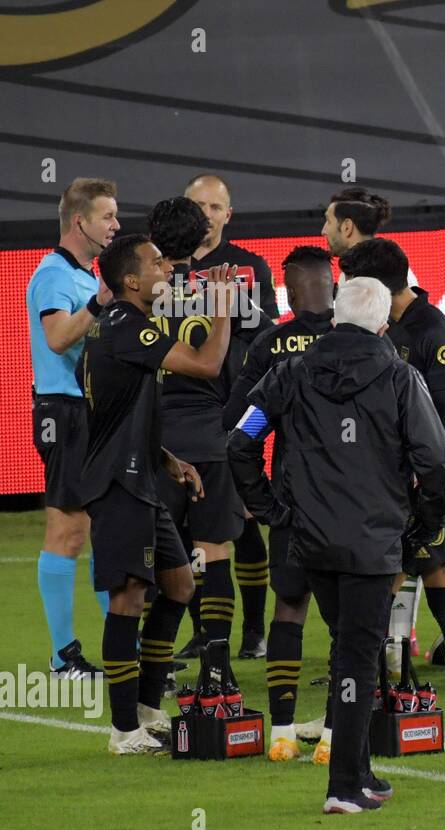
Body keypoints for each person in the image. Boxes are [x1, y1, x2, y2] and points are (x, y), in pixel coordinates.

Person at [227, 277, 445, 812]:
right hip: (374, 542)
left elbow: (241, 440)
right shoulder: (401, 378)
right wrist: (423, 527)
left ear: (334, 318)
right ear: (383, 326)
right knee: (357, 654)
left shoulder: (288, 373)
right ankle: (342, 789)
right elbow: (435, 461)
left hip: (310, 541)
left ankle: (361, 771)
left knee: (349, 647)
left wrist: (271, 510)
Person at [79, 234, 235, 754]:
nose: (167, 267)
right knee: (127, 600)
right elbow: (208, 365)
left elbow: (119, 410)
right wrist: (221, 311)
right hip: (118, 484)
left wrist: (166, 458)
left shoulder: (123, 329)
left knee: (179, 587)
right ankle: (124, 731)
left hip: (141, 475)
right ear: (130, 280)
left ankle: (147, 709)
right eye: (156, 262)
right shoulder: (126, 327)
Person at [336, 237, 445, 748]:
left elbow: (442, 420)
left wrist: (426, 484)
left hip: (432, 483)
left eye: (350, 280)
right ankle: (364, 719)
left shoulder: (432, 330)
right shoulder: (382, 327)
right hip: (389, 485)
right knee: (373, 600)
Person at [222, 245, 336, 760]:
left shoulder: (272, 345)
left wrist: (265, 505)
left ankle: (283, 732)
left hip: (293, 505)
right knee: (350, 620)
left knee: (288, 609)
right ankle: (337, 733)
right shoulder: (366, 342)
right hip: (356, 511)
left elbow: (238, 422)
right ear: (333, 283)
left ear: (288, 289)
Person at [146, 197, 250, 663]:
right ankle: (218, 665)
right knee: (214, 551)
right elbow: (246, 371)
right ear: (201, 236)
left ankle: (158, 666)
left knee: (156, 555)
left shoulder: (141, 298)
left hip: (157, 444)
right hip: (211, 439)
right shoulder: (224, 296)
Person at [186, 173, 282, 657]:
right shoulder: (164, 266)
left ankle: (253, 630)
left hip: (238, 407)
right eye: (196, 205)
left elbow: (269, 332)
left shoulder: (250, 266)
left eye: (213, 206)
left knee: (242, 518)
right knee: (190, 525)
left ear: (228, 215)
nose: (205, 214)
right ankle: (204, 630)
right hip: (183, 412)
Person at [28, 177, 118, 679]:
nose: (115, 224)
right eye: (107, 216)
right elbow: (59, 336)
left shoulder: (85, 275)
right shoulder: (53, 274)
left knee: (103, 531)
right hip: (64, 412)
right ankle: (63, 657)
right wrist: (100, 305)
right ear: (79, 221)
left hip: (90, 411)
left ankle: (120, 649)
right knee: (69, 530)